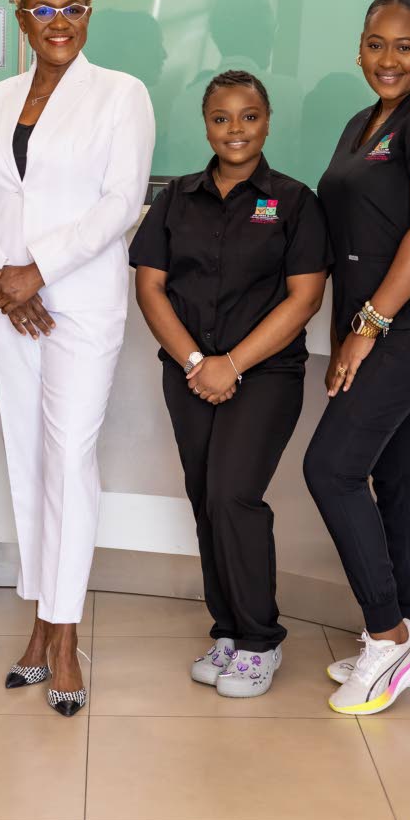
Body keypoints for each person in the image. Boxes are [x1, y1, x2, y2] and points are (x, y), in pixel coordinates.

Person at [0, 0, 155, 716]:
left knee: (68, 457)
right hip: (3, 303)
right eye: (42, 10)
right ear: (21, 21)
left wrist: (37, 270)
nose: (58, 20)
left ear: (89, 15)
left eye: (72, 8)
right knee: (28, 461)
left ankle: (64, 634)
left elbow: (120, 202)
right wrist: (0, 275)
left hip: (76, 302)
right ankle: (38, 623)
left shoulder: (120, 94)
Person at [131, 70, 329, 697]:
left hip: (265, 374)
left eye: (248, 116)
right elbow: (149, 285)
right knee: (203, 494)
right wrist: (196, 362)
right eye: (221, 117)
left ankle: (259, 640)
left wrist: (231, 363)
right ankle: (227, 627)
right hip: (189, 373)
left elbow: (304, 298)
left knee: (233, 495)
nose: (235, 129)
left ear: (267, 121)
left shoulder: (294, 201)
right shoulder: (176, 198)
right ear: (206, 123)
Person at [304, 0, 410, 716]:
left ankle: (387, 635)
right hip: (375, 324)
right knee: (399, 479)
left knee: (330, 469)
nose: (388, 58)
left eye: (404, 46)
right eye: (376, 43)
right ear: (359, 47)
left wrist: (366, 326)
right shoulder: (360, 122)